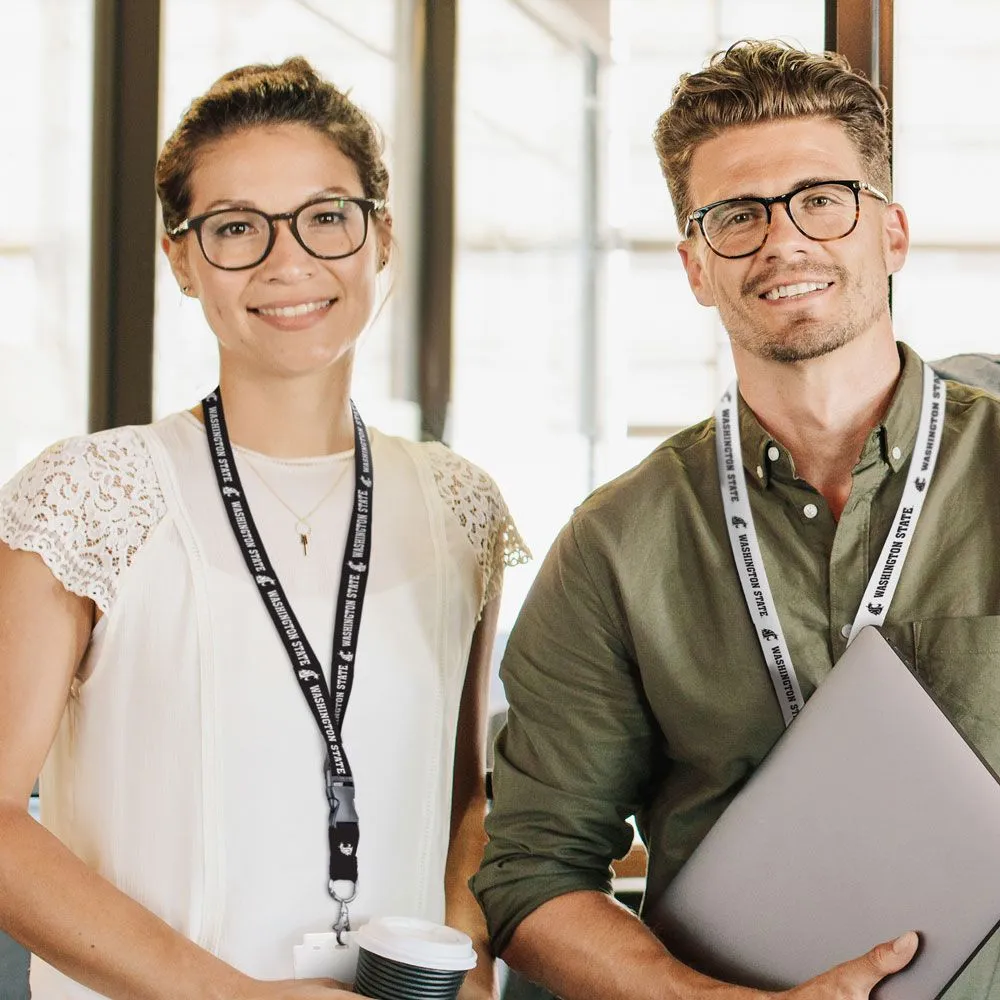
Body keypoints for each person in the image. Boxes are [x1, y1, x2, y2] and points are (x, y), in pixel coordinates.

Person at [472, 39, 1000, 1000]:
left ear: (892, 233)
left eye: (822, 199)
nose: (783, 241)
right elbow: (532, 873)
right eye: (737, 216)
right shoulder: (613, 547)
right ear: (693, 264)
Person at [0, 57, 527, 1000]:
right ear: (182, 258)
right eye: (237, 228)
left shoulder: (460, 503)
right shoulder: (90, 490)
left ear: (379, 238)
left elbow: (461, 799)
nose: (289, 262)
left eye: (326, 218)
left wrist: (465, 960)